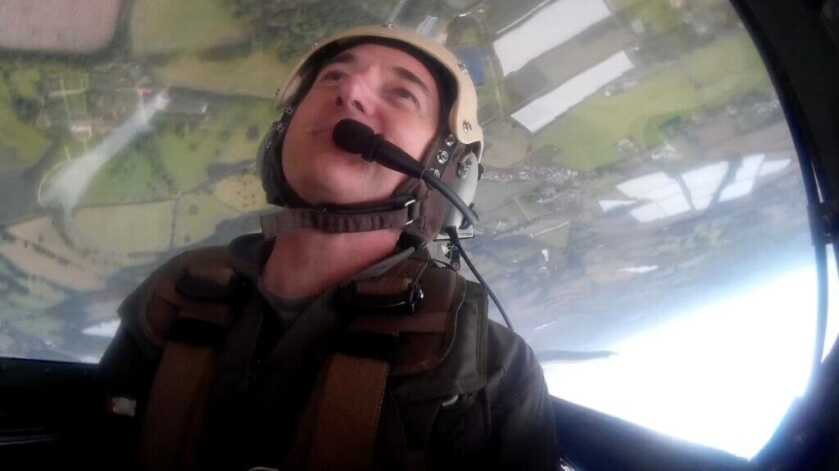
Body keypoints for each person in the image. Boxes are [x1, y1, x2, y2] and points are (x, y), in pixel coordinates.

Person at [98, 25, 557, 471]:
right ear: (284, 131)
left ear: (448, 170)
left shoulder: (487, 367)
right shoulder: (176, 297)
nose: (350, 89)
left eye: (402, 94)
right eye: (332, 77)